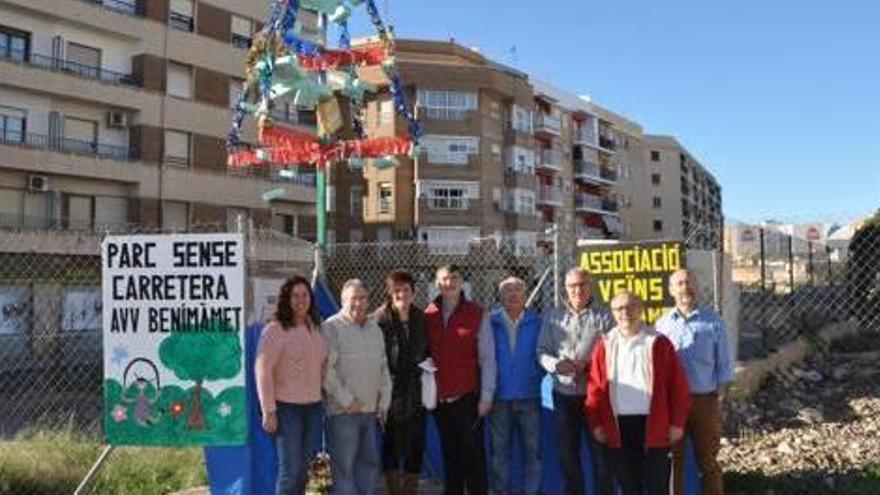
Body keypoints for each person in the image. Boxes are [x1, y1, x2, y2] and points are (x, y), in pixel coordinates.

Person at [586, 292, 691, 495]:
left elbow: (678, 387)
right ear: (613, 313)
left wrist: (677, 423)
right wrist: (596, 424)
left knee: (657, 486)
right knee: (628, 486)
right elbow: (595, 389)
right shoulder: (604, 344)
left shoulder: (659, 343)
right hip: (618, 427)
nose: (625, 313)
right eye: (619, 308)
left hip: (654, 425)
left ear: (640, 309)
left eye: (631, 306)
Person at [655, 269, 734, 495]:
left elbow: (724, 363)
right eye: (679, 283)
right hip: (673, 405)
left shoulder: (713, 321)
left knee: (708, 461)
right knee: (674, 461)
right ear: (671, 290)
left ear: (696, 286)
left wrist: (718, 397)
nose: (685, 288)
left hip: (704, 401)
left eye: (689, 282)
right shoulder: (662, 325)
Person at [537, 267, 614, 495]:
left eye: (582, 285)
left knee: (600, 457)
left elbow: (613, 353)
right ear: (565, 289)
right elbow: (541, 351)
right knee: (567, 456)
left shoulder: (605, 317)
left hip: (595, 398)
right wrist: (557, 365)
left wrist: (589, 366)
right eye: (572, 286)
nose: (577, 290)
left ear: (590, 287)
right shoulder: (552, 316)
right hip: (563, 397)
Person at [424, 264, 496, 495]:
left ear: (461, 282)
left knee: (473, 459)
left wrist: (486, 397)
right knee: (450, 458)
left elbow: (488, 359)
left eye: (454, 278)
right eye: (444, 279)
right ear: (437, 283)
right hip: (440, 402)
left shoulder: (477, 313)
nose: (449, 283)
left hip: (469, 399)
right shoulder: (428, 314)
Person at [255, 276, 327, 495]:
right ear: (286, 299)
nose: (300, 300)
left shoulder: (315, 327)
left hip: (314, 408)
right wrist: (269, 410)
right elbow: (262, 371)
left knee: (304, 468)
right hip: (287, 410)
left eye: (304, 295)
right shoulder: (275, 330)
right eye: (294, 295)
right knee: (290, 470)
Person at [322, 279, 392, 495]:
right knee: (344, 471)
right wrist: (347, 401)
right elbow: (326, 371)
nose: (358, 303)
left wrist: (384, 403)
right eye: (353, 299)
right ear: (343, 300)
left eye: (363, 298)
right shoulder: (330, 328)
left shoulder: (375, 330)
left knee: (369, 466)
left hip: (370, 413)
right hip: (344, 413)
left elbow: (383, 368)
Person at [374, 270, 429, 495]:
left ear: (413, 293)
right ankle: (394, 491)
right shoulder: (379, 319)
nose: (401, 294)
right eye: (397, 290)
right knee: (390, 446)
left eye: (406, 289)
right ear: (390, 293)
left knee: (416, 445)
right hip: (390, 392)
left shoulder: (421, 319)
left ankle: (410, 490)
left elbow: (429, 351)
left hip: (417, 392)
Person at [488, 277, 543, 495]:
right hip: (499, 397)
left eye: (517, 290)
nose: (512, 294)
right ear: (500, 296)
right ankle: (501, 491)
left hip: (529, 396)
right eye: (507, 290)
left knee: (533, 452)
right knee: (499, 452)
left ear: (525, 294)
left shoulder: (537, 322)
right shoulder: (490, 322)